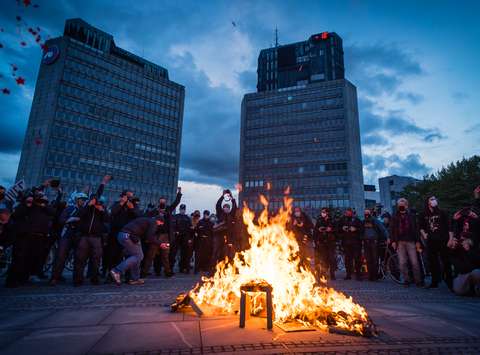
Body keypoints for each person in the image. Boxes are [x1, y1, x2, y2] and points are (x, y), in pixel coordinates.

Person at [73, 176, 111, 286]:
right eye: (93, 199)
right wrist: (88, 206)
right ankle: (78, 279)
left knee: (96, 260)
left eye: (96, 200)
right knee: (80, 259)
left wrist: (102, 211)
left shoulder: (101, 209)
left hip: (96, 238)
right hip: (84, 237)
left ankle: (95, 279)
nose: (95, 201)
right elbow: (79, 215)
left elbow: (107, 220)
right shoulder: (85, 208)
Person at [111, 215, 167, 285]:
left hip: (123, 235)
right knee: (139, 256)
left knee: (136, 256)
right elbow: (149, 236)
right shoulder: (153, 222)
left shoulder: (146, 219)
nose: (159, 226)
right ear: (159, 221)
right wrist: (160, 244)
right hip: (128, 237)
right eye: (160, 224)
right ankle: (116, 271)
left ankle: (135, 278)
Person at [49, 192, 88, 286]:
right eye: (82, 200)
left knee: (79, 258)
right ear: (77, 200)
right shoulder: (69, 208)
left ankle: (78, 279)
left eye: (84, 200)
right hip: (67, 234)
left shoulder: (84, 210)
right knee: (61, 256)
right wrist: (71, 219)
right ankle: (55, 277)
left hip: (78, 235)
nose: (83, 202)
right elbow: (61, 220)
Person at [448, 186, 480, 296]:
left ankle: (475, 286)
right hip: (464, 273)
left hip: (474, 270)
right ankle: (469, 287)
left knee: (476, 273)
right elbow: (456, 263)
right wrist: (454, 220)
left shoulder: (475, 244)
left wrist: (469, 249)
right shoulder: (457, 245)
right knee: (458, 290)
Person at [104, 190, 141, 278]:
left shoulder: (134, 205)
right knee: (113, 255)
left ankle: (128, 277)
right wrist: (121, 203)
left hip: (129, 235)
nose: (129, 198)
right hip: (115, 233)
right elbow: (112, 212)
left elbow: (139, 216)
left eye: (131, 197)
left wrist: (132, 208)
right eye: (127, 196)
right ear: (123, 196)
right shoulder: (117, 204)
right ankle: (112, 275)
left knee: (129, 255)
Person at [147, 187, 182, 277]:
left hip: (165, 236)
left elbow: (176, 203)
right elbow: (148, 217)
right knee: (152, 254)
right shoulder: (155, 211)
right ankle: (149, 271)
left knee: (165, 255)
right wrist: (157, 213)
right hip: (156, 236)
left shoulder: (169, 210)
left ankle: (167, 272)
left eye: (164, 201)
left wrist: (179, 193)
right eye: (161, 201)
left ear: (165, 202)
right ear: (159, 202)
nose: (162, 203)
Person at [418, 196, 452, 289]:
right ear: (427, 202)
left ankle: (449, 281)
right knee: (433, 262)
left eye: (435, 199)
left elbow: (449, 226)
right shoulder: (423, 214)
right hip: (431, 241)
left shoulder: (442, 212)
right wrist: (424, 234)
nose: (434, 201)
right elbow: (421, 226)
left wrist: (450, 239)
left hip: (443, 239)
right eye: (431, 199)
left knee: (446, 261)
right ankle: (435, 281)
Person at [390, 198, 423, 287]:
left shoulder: (411, 215)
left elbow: (416, 229)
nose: (401, 206)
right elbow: (392, 229)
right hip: (400, 241)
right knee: (402, 263)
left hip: (411, 241)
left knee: (414, 262)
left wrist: (417, 241)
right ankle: (406, 280)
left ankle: (418, 280)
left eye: (402, 204)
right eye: (399, 205)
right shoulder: (395, 216)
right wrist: (393, 241)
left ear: (406, 205)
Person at [362, 208, 388, 281]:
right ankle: (370, 275)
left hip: (374, 242)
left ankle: (375, 275)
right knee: (368, 260)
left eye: (367, 213)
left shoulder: (375, 221)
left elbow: (383, 229)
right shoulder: (363, 222)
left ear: (370, 213)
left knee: (375, 259)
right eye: (365, 213)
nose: (366, 215)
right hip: (366, 242)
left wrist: (388, 237)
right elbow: (361, 231)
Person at [338, 208, 363, 280]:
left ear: (352, 213)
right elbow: (338, 229)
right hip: (346, 243)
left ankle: (358, 275)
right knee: (348, 260)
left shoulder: (357, 220)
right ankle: (348, 275)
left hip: (356, 243)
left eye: (349, 213)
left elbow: (362, 229)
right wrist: (342, 228)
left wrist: (355, 229)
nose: (348, 214)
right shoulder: (342, 220)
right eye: (347, 213)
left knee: (357, 259)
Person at [213, 190, 237, 263]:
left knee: (226, 253)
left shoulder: (231, 215)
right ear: (223, 208)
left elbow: (234, 207)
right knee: (216, 251)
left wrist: (232, 197)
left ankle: (223, 267)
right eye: (225, 207)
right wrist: (223, 196)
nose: (226, 209)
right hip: (219, 236)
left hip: (228, 236)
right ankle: (213, 267)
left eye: (228, 208)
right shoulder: (220, 214)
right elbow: (218, 205)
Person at [313, 208, 337, 280]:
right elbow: (315, 231)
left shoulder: (332, 220)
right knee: (324, 259)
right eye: (322, 212)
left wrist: (331, 229)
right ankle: (325, 274)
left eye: (324, 212)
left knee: (331, 259)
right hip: (322, 243)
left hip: (330, 243)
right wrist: (319, 230)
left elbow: (337, 230)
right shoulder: (319, 220)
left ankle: (332, 274)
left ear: (327, 213)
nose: (322, 213)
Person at [290, 206, 313, 271]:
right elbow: (287, 229)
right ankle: (296, 269)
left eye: (298, 211)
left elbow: (311, 226)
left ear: (300, 211)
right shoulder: (291, 218)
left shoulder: (305, 217)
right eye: (295, 211)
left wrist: (304, 224)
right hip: (294, 240)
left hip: (304, 239)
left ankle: (304, 268)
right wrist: (293, 225)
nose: (297, 212)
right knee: (295, 254)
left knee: (304, 254)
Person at [172, 204, 193, 273]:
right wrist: (175, 232)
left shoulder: (187, 218)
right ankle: (171, 267)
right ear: (179, 209)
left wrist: (189, 237)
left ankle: (182, 267)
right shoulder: (176, 216)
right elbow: (172, 226)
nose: (182, 210)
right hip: (177, 237)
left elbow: (190, 228)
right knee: (173, 253)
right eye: (181, 209)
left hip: (185, 237)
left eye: (183, 209)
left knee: (184, 253)